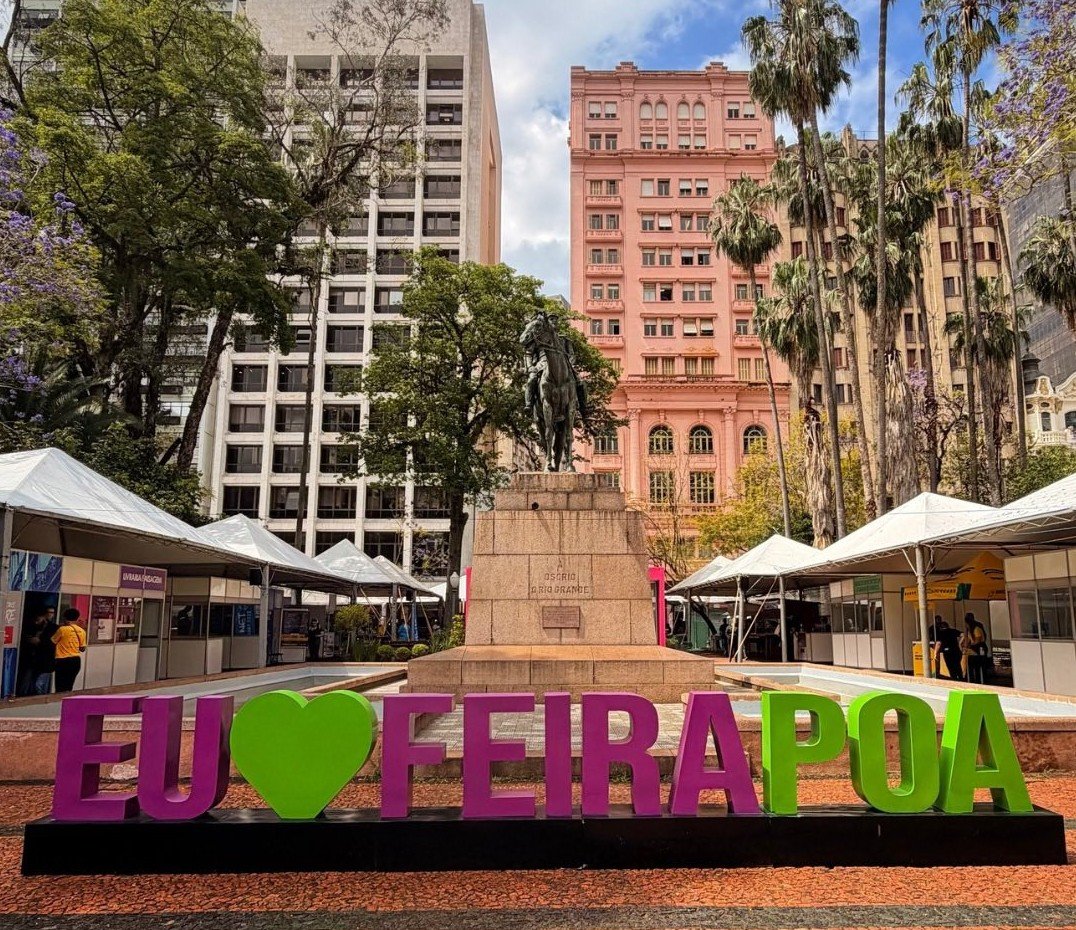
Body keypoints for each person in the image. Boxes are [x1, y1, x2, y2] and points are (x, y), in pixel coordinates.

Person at [17, 607, 57, 696]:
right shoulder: (30, 626)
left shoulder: (53, 628)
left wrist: (39, 642)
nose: (36, 622)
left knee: (39, 683)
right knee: (26, 680)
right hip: (30, 658)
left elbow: (52, 644)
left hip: (45, 659)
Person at [51, 608, 87, 693]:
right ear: (77, 618)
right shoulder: (82, 631)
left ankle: (59, 703)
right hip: (75, 661)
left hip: (62, 661)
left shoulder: (62, 629)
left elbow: (53, 642)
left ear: (64, 618)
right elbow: (82, 648)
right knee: (69, 685)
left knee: (60, 686)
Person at [963, 612, 989, 684]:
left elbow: (977, 641)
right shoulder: (972, 628)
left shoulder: (976, 628)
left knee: (978, 665)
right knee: (974, 665)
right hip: (976, 648)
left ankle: (980, 681)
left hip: (979, 647)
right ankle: (976, 680)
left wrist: (970, 646)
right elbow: (967, 639)